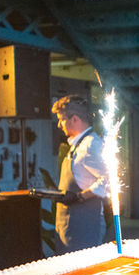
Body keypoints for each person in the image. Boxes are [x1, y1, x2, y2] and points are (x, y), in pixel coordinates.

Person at [51, 95, 108, 254]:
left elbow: (110, 180)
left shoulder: (91, 145)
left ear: (75, 119)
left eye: (62, 120)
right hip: (70, 226)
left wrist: (79, 197)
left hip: (84, 227)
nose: (59, 125)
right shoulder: (78, 145)